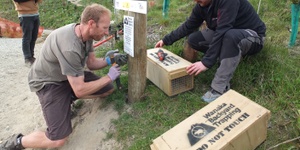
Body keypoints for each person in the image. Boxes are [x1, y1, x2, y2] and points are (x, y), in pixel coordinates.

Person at [0, 4, 127, 150]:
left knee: (107, 89)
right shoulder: (70, 47)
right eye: (104, 28)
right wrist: (109, 77)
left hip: (67, 77)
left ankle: (66, 100)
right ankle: (16, 142)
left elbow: (91, 63)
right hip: (48, 82)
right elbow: (80, 90)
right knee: (57, 140)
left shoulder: (87, 34)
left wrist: (109, 61)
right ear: (91, 23)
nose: (106, 32)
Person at [155, 0, 266, 103]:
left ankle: (219, 88)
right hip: (228, 34)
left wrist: (206, 62)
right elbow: (188, 25)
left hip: (253, 37)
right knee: (194, 39)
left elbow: (222, 31)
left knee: (230, 36)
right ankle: (228, 57)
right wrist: (166, 40)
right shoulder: (201, 5)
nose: (196, 1)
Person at [12, 0, 42, 67]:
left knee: (34, 37)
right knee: (27, 37)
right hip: (25, 15)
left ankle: (31, 56)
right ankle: (27, 58)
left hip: (35, 13)